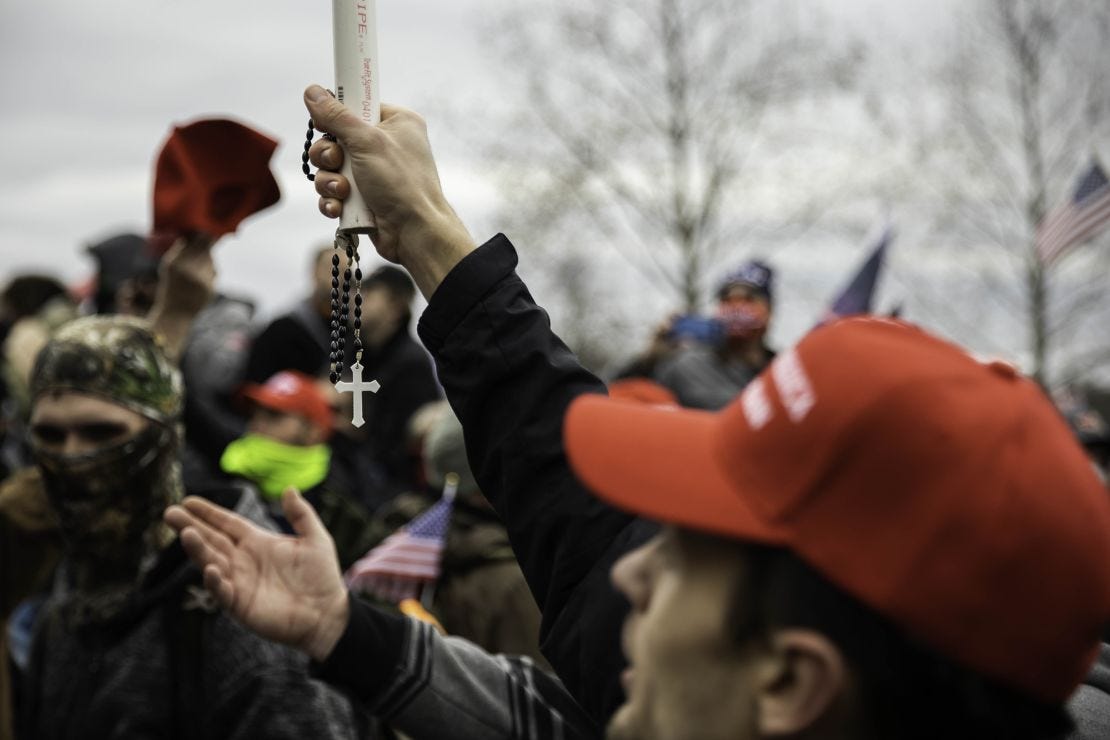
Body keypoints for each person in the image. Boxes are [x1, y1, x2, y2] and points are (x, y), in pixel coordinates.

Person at [165, 86, 1110, 740]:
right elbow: (582, 538)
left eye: (684, 547)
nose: (637, 570)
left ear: (790, 681)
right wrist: (427, 235)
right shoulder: (758, 701)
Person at [20, 315, 363, 739]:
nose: (72, 457)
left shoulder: (235, 601)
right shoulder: (66, 598)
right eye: (50, 435)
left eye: (101, 432)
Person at [245, 251, 441, 503]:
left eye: (368, 293)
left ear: (396, 307)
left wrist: (349, 425)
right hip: (339, 475)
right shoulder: (352, 348)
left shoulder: (411, 366)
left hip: (383, 497)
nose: (353, 297)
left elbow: (398, 452)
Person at [221, 369, 376, 568]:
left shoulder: (338, 500)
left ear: (313, 432)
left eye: (274, 415)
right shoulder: (230, 471)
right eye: (254, 412)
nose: (257, 424)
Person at [650, 259, 776, 410]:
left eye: (748, 300)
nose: (736, 308)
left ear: (768, 310)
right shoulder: (688, 365)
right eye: (728, 300)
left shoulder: (784, 372)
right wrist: (651, 358)